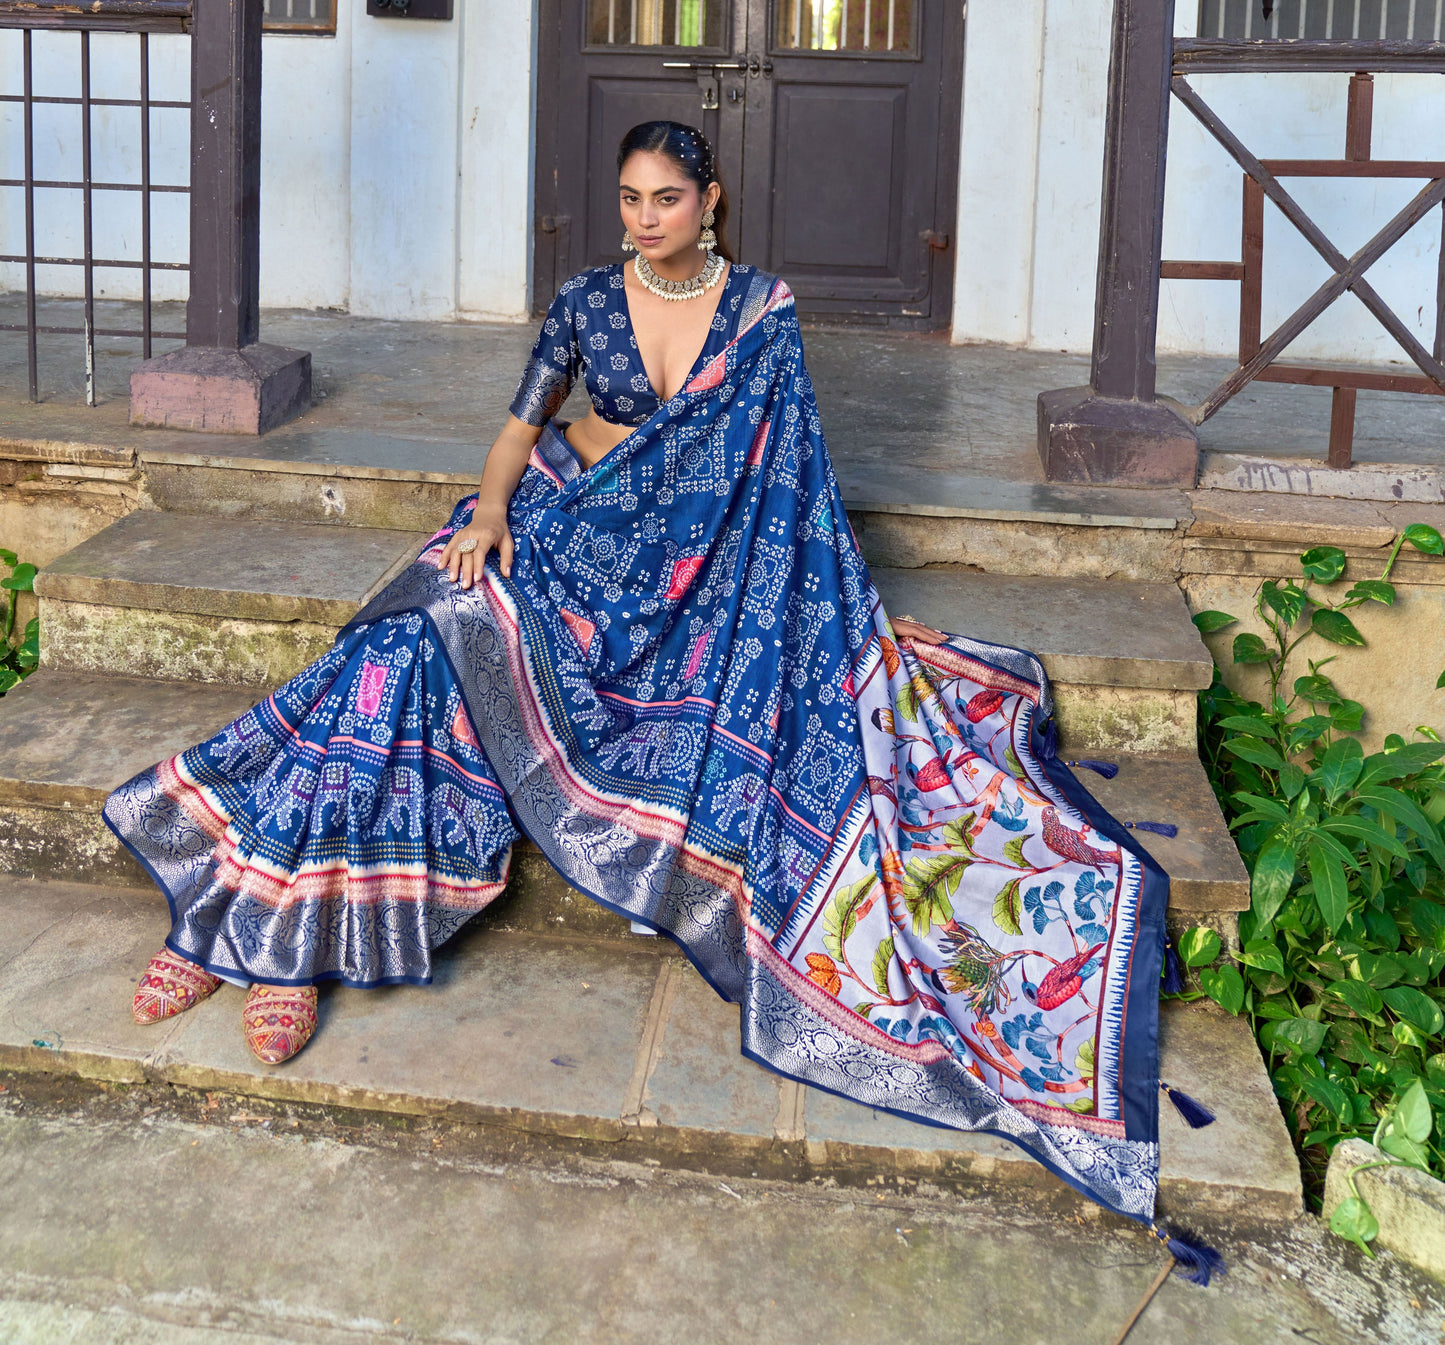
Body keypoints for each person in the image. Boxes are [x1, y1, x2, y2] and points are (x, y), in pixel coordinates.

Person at [106, 121, 1171, 1235]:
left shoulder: (763, 312)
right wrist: (489, 516)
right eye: (628, 198)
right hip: (570, 522)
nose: (643, 218)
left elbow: (779, 475)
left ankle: (282, 943)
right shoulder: (582, 300)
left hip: (695, 566)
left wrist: (754, 597)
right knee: (395, 650)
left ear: (710, 201)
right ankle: (247, 921)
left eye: (665, 198)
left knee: (446, 661)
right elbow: (521, 427)